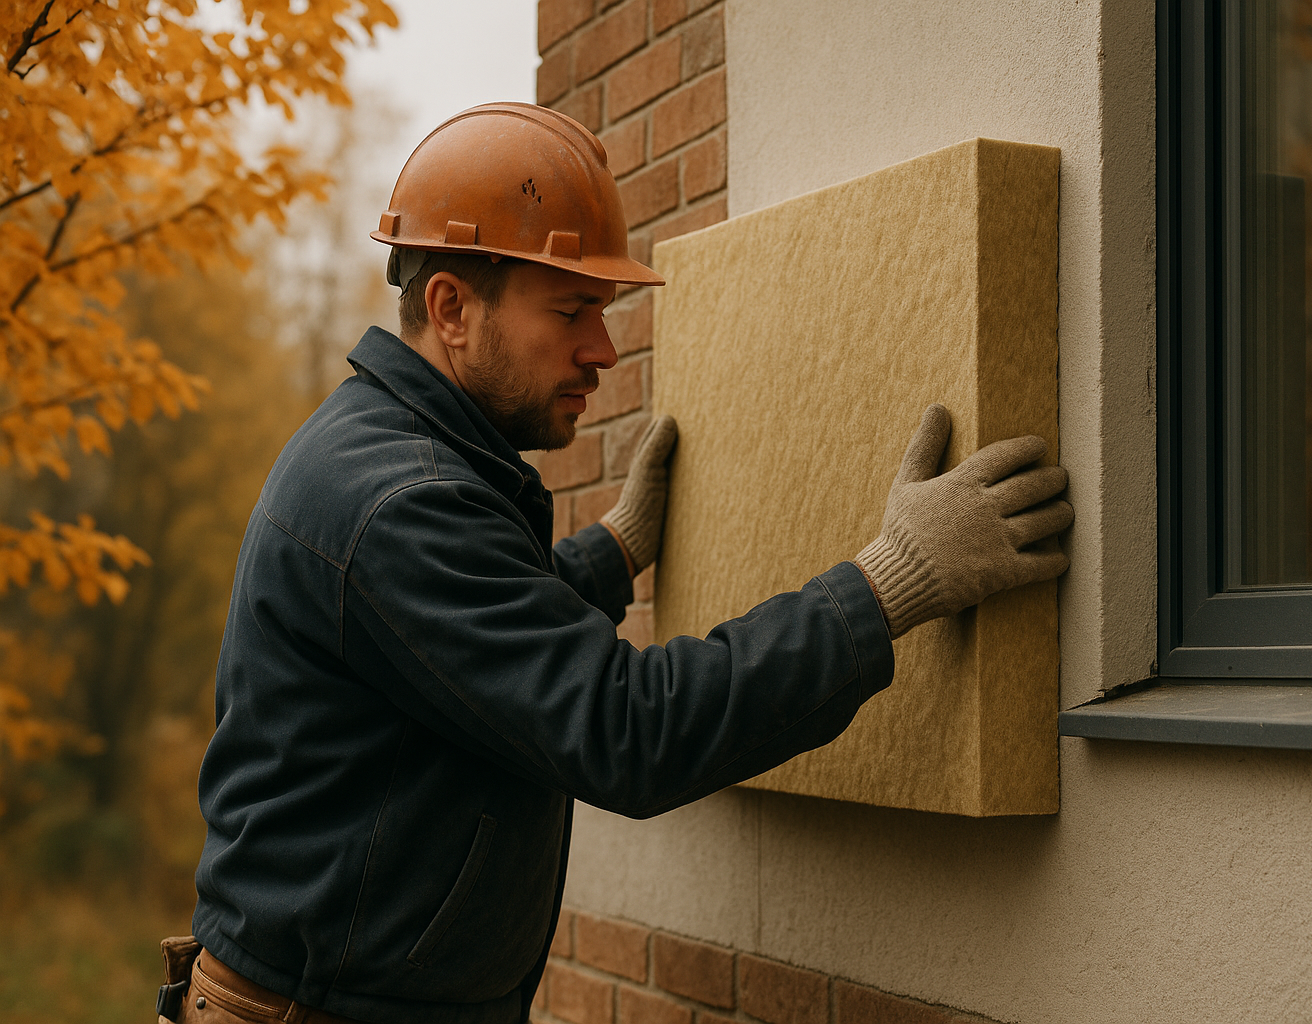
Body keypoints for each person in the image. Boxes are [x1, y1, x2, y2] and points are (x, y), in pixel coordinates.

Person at [157, 103, 1073, 1024]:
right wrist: (894, 579)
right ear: (451, 309)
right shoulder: (400, 501)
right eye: (571, 312)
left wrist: (618, 550)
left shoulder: (389, 454)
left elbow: (470, 646)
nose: (601, 349)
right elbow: (629, 730)